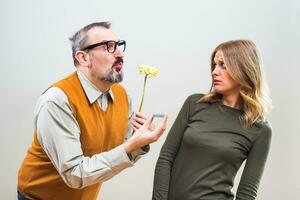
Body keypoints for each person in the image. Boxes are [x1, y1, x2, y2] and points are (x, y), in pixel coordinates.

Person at [17, 21, 167, 200]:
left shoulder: (122, 96)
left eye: (119, 45)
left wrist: (139, 141)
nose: (120, 53)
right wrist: (130, 146)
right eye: (109, 47)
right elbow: (75, 174)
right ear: (83, 58)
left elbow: (124, 150)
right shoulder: (57, 100)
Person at [152, 39, 272, 200]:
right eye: (214, 65)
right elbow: (165, 159)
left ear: (244, 69)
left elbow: (247, 192)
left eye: (223, 65)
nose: (215, 71)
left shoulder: (260, 130)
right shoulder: (194, 104)